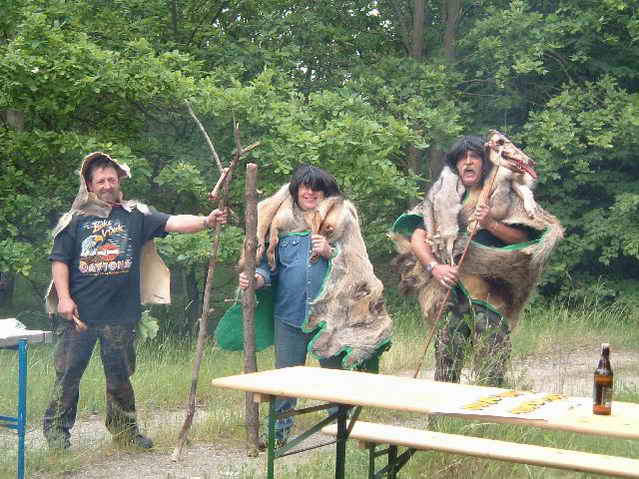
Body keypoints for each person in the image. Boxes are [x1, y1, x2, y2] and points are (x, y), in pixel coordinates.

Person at [43, 152, 227, 450]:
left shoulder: (136, 215)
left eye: (111, 179)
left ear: (119, 181)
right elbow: (59, 261)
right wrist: (64, 298)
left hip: (120, 315)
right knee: (67, 377)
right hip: (79, 315)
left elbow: (174, 222)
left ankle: (126, 434)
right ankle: (56, 436)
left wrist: (207, 220)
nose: (107, 185)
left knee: (120, 378)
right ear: (89, 185)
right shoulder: (75, 219)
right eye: (100, 181)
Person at [236, 164, 391, 447]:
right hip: (289, 315)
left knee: (334, 378)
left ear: (325, 192)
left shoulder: (341, 221)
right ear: (296, 190)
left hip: (331, 319)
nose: (310, 192)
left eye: (316, 188)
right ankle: (278, 436)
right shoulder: (279, 224)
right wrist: (256, 278)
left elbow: (358, 267)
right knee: (285, 379)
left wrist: (331, 252)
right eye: (304, 187)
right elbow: (268, 268)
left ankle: (342, 433)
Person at [392, 135, 563, 386]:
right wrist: (435, 268)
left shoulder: (504, 194)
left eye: (474, 157)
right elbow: (418, 237)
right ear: (456, 165)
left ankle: (486, 409)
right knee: (446, 368)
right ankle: (442, 408)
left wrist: (490, 223)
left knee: (491, 370)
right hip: (450, 294)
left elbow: (525, 239)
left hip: (492, 296)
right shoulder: (442, 196)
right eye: (462, 158)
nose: (468, 162)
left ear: (484, 163)